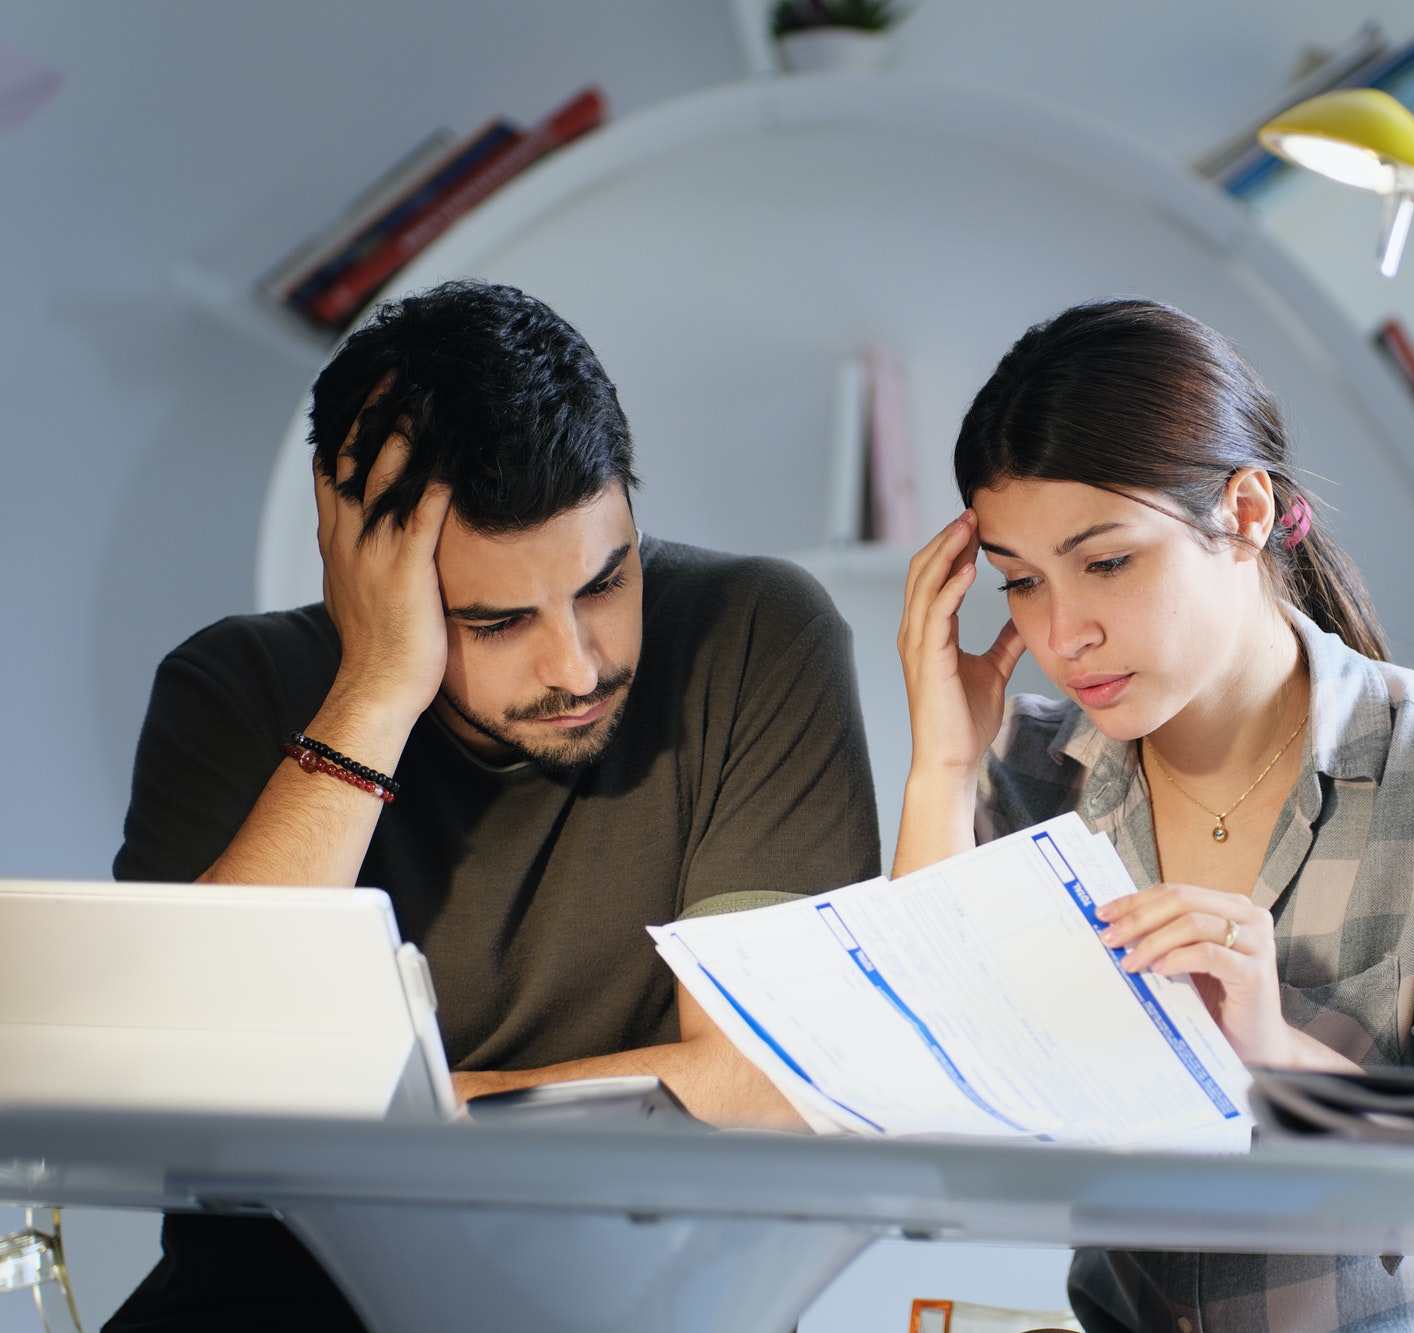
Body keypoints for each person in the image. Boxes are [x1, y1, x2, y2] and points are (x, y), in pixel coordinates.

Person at [108, 280, 880, 1331]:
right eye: (497, 619)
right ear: (367, 580)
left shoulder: (752, 637)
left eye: (605, 582)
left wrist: (355, 1131)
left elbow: (770, 1087)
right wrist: (376, 688)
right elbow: (201, 1086)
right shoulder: (236, 688)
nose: (579, 665)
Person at [895, 299, 1414, 1332]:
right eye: (1020, 583)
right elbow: (917, 1098)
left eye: (1107, 561)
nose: (1062, 633)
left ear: (1245, 513)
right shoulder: (1031, 778)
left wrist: (1276, 1056)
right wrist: (941, 764)